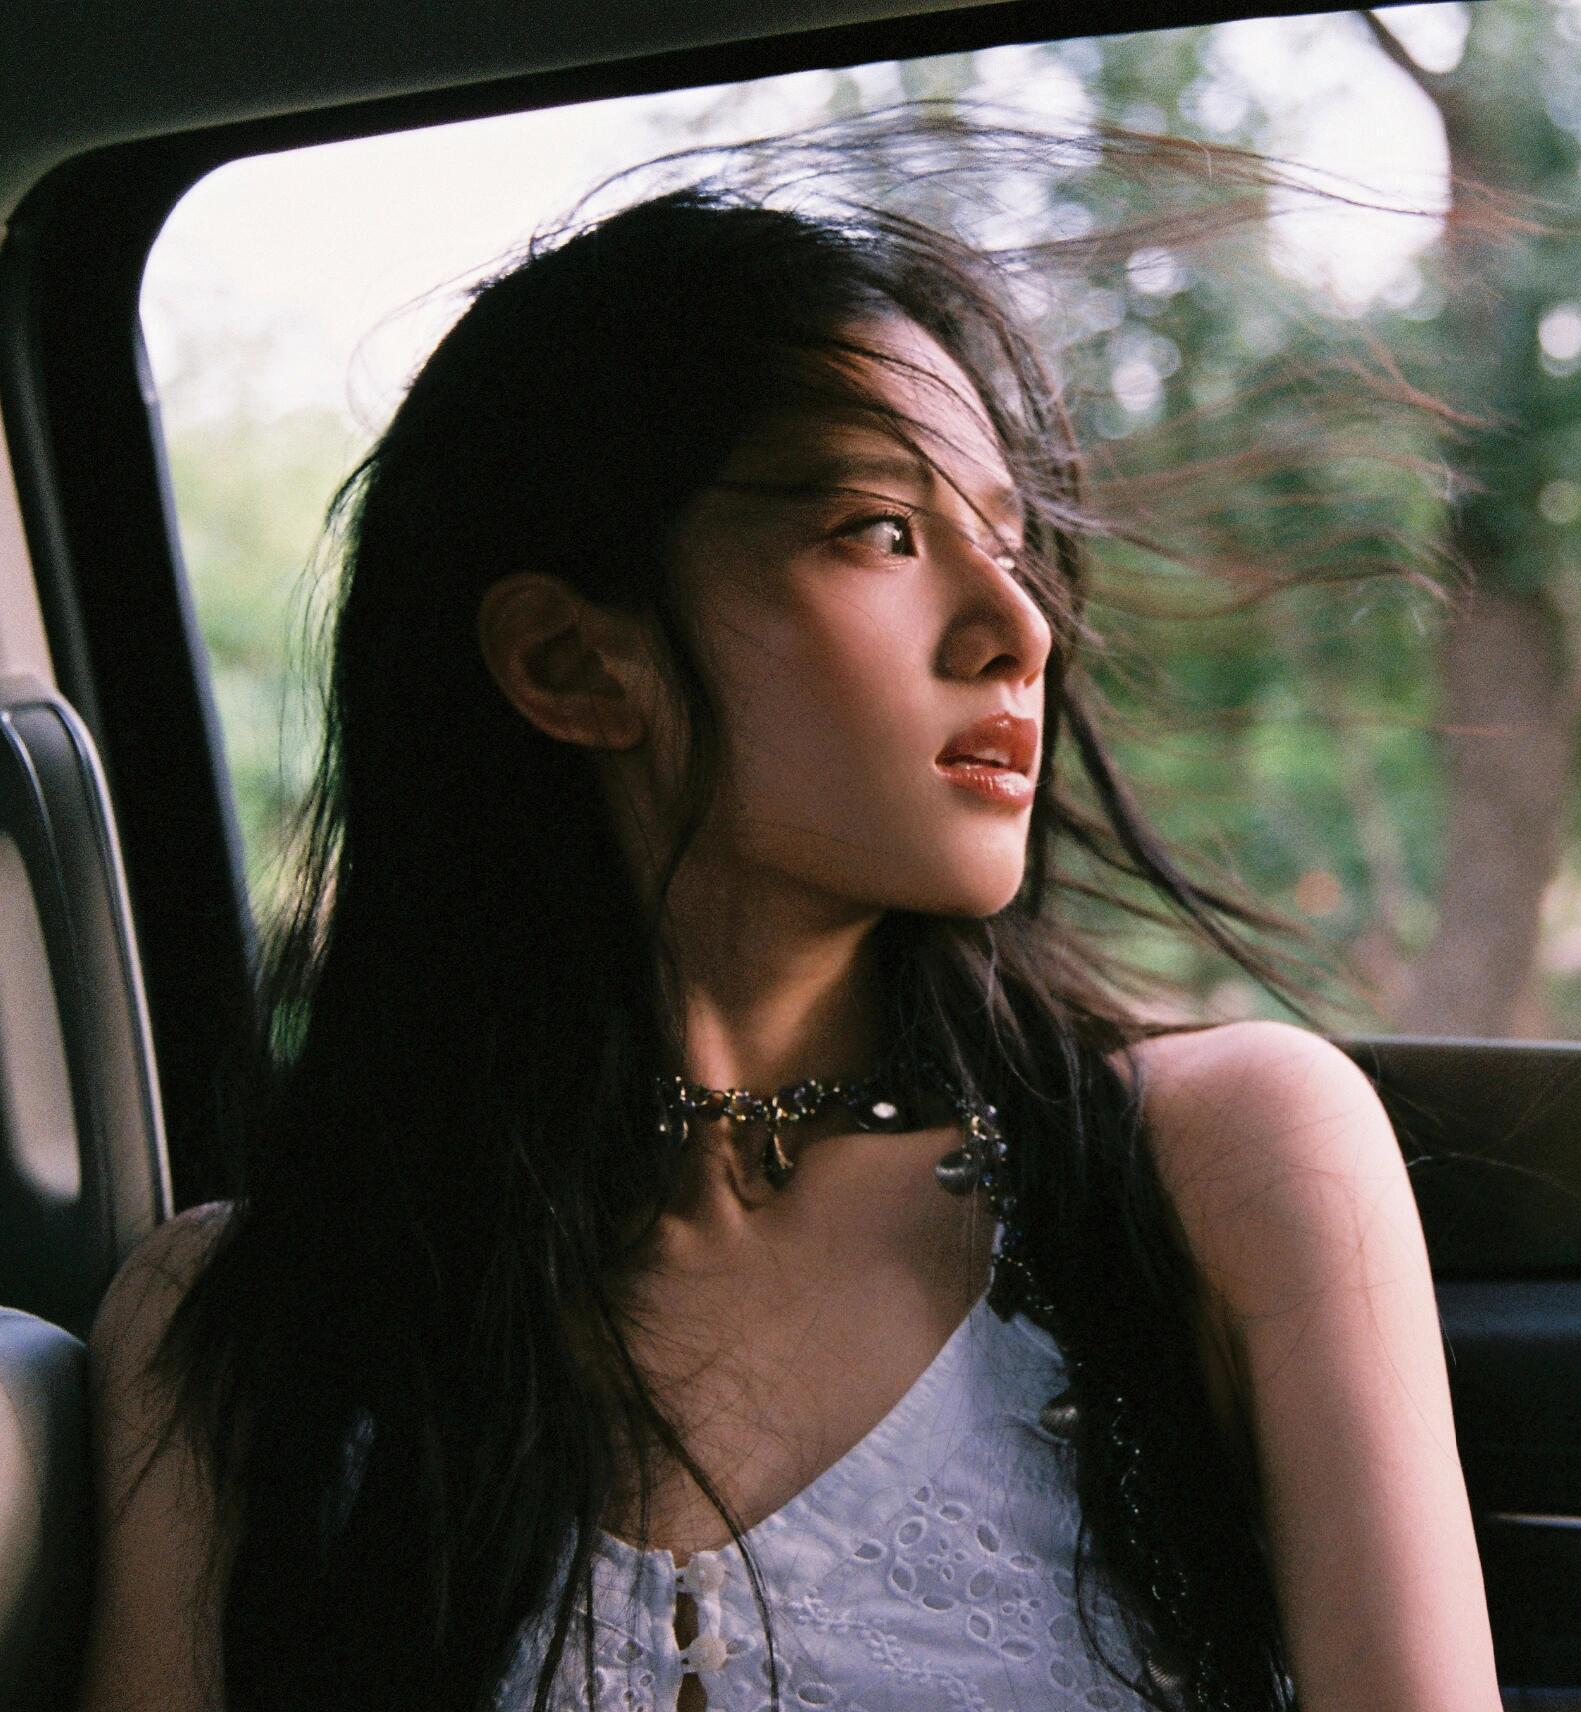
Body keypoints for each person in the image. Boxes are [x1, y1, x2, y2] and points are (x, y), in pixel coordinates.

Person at [75, 145, 1500, 1712]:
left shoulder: (1220, 1164)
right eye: (880, 531)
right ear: (570, 664)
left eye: (1008, 539)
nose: (1018, 628)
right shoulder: (234, 1331)